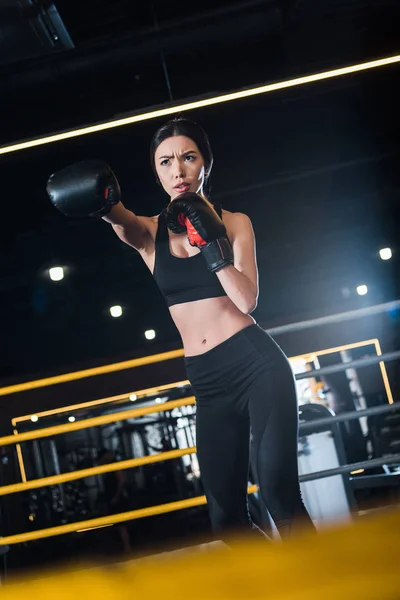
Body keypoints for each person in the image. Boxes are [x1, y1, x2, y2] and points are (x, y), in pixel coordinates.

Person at [46, 117, 315, 541]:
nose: (178, 171)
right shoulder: (149, 234)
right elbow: (120, 220)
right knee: (226, 520)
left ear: (204, 164)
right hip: (207, 382)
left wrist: (212, 244)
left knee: (279, 493)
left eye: (188, 158)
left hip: (256, 365)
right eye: (166, 162)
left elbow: (247, 301)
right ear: (156, 173)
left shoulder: (235, 222)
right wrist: (102, 202)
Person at [97, 448, 132, 554]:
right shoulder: (108, 466)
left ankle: (127, 547)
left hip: (117, 498)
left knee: (121, 524)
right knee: (118, 524)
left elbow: (122, 480)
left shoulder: (114, 465)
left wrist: (116, 496)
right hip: (113, 498)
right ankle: (125, 546)